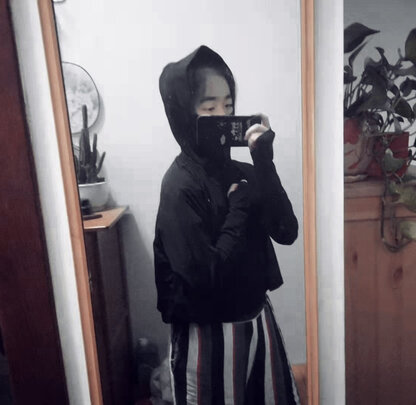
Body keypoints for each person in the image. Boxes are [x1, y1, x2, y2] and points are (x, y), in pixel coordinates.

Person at [154, 45, 300, 405]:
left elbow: (286, 231)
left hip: (257, 321)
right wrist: (238, 209)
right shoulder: (179, 186)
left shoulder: (244, 171)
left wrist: (263, 161)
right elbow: (204, 278)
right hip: (208, 337)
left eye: (229, 106)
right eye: (209, 108)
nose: (222, 115)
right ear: (183, 113)